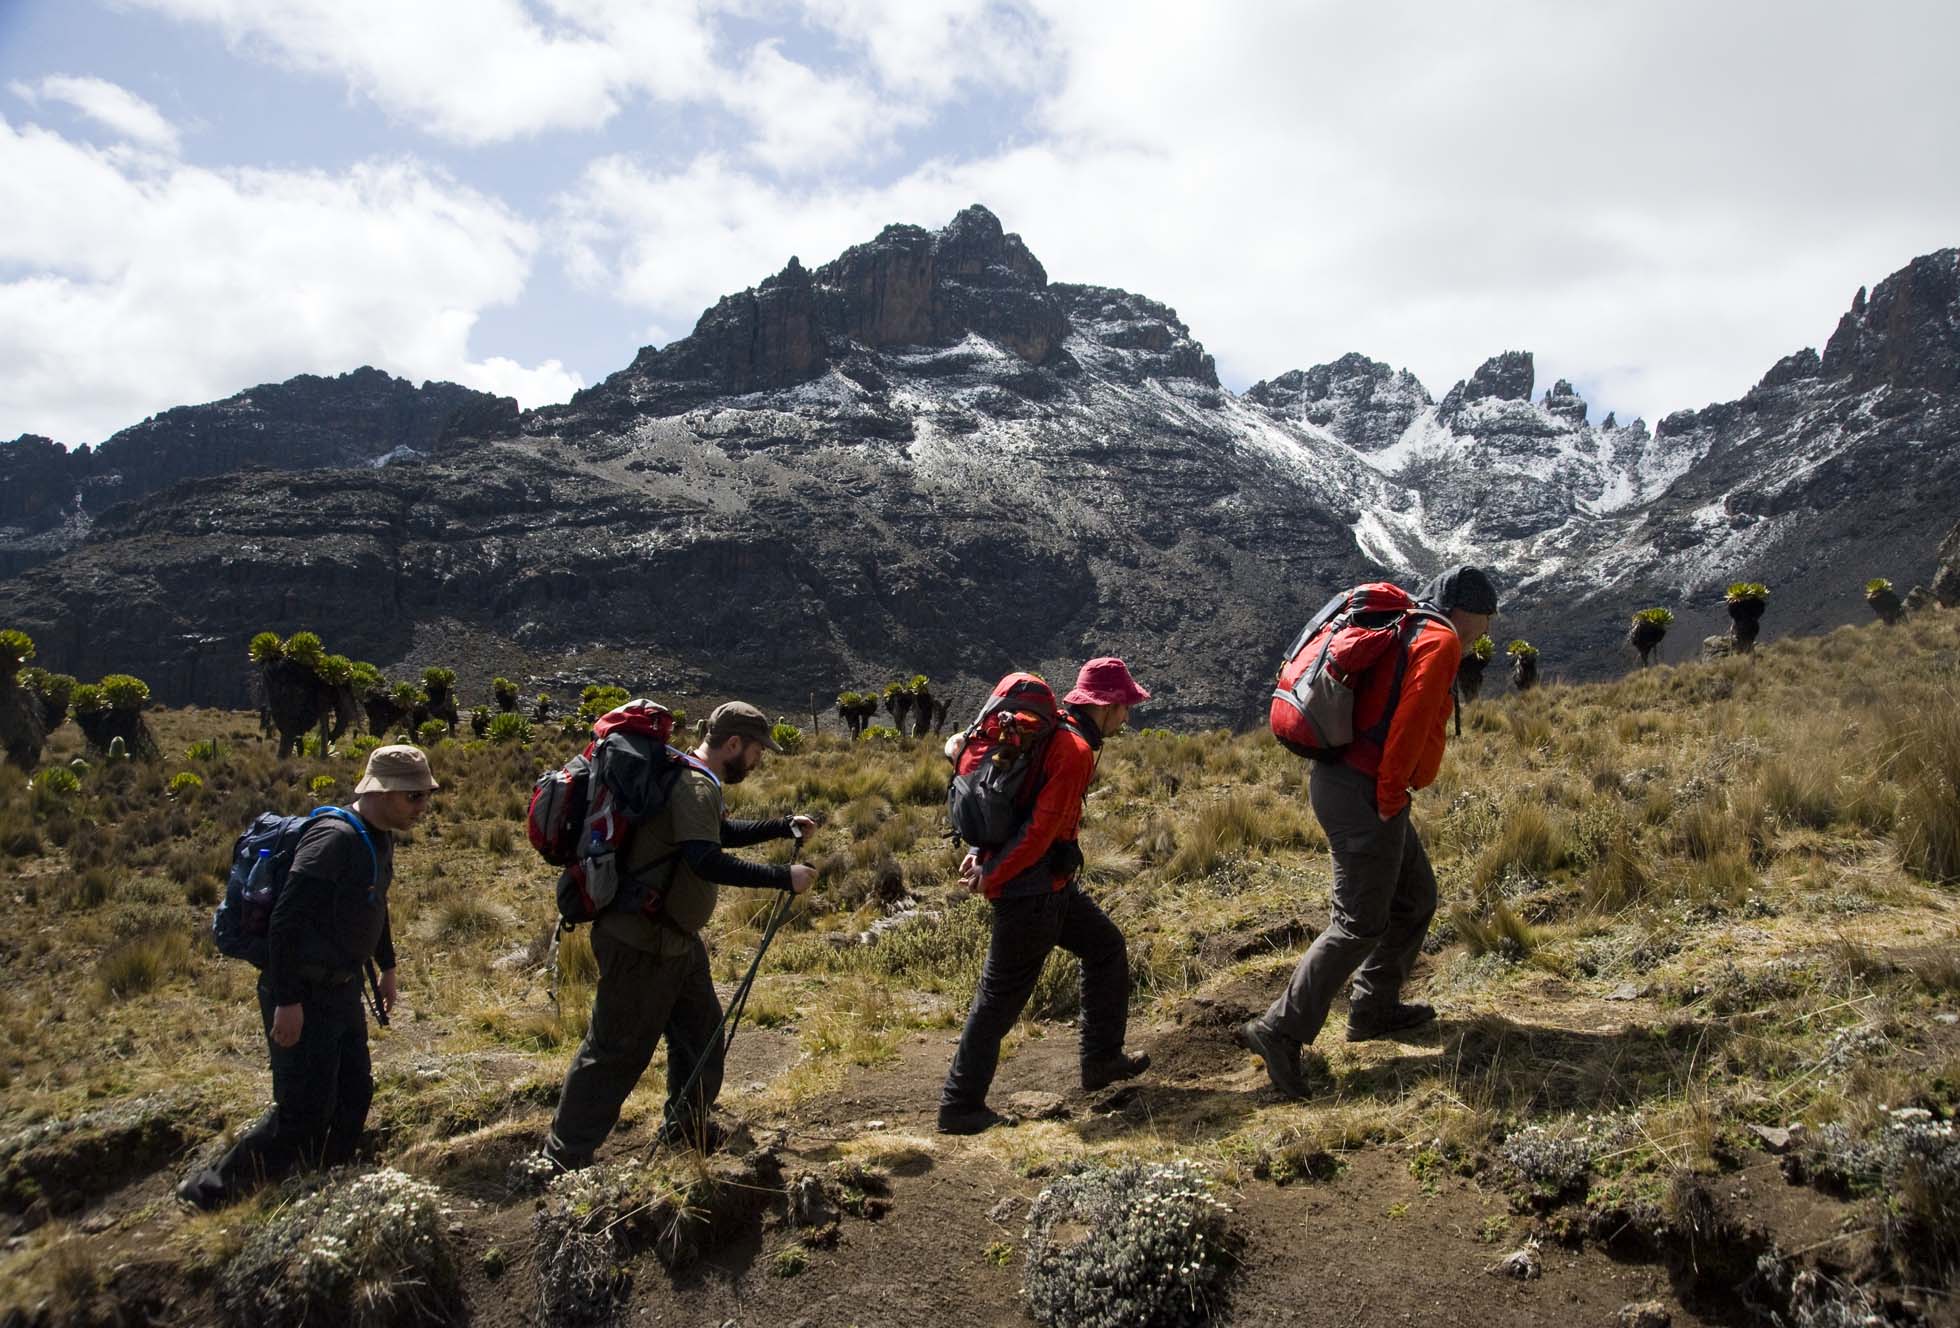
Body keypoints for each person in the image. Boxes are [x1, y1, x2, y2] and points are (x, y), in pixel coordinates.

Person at [1240, 565, 1498, 1098]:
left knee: (1416, 896)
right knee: (1359, 923)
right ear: (1465, 611)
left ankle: (1373, 1007)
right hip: (1368, 792)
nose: (1488, 630)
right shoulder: (1440, 639)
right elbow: (1407, 725)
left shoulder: (1409, 626)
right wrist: (1388, 799)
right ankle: (1280, 1030)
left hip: (1348, 782)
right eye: (1486, 617)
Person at [546, 701, 817, 1167]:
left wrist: (779, 826)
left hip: (673, 942)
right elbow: (703, 859)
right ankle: (562, 1159)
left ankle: (685, 1130)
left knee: (700, 1034)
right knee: (616, 1051)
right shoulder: (693, 785)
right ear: (734, 744)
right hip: (642, 942)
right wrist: (781, 877)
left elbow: (713, 834)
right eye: (756, 752)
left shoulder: (686, 775)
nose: (757, 762)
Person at [178, 744, 436, 1209]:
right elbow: (286, 921)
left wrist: (388, 967)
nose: (423, 807)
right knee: (301, 1110)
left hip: (341, 988)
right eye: (413, 797)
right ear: (380, 792)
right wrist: (288, 999)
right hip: (304, 992)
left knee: (354, 1092)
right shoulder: (333, 840)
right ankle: (208, 1192)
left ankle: (325, 1180)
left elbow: (374, 904)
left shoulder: (380, 836)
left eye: (425, 796)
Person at [938, 658, 1154, 1135]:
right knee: (998, 1000)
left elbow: (1014, 806)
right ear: (1108, 705)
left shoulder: (1054, 739)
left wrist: (983, 854)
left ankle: (1101, 1061)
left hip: (1049, 887)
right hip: (1031, 894)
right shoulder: (1072, 749)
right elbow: (1038, 831)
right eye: (1126, 706)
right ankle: (960, 1106)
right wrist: (993, 874)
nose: (1129, 716)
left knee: (1105, 947)